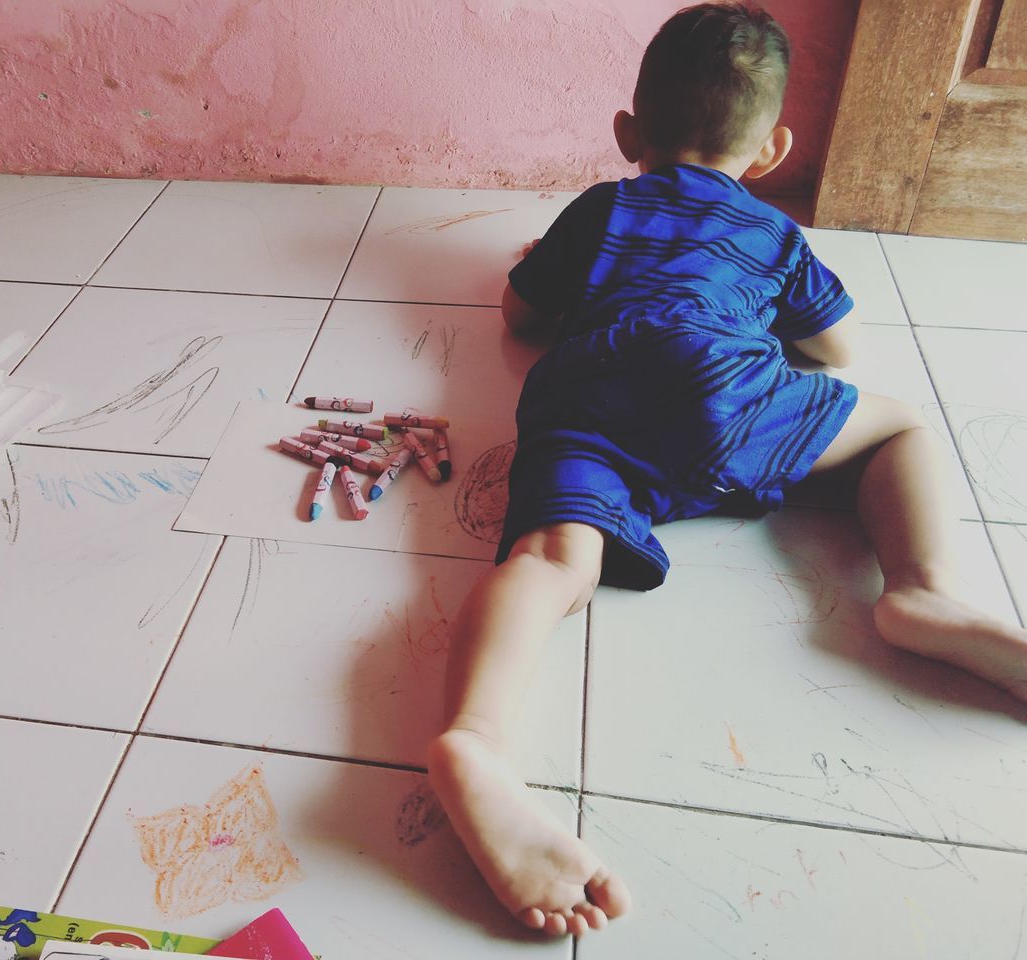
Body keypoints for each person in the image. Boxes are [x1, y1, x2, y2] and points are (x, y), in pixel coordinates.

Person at [426, 0, 1027, 940]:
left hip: (589, 399)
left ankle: (476, 738)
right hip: (724, 394)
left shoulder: (603, 207)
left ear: (627, 133)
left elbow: (517, 316)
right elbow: (840, 347)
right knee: (900, 427)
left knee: (549, 561)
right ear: (774, 149)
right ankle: (924, 593)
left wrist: (550, 271)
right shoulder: (772, 230)